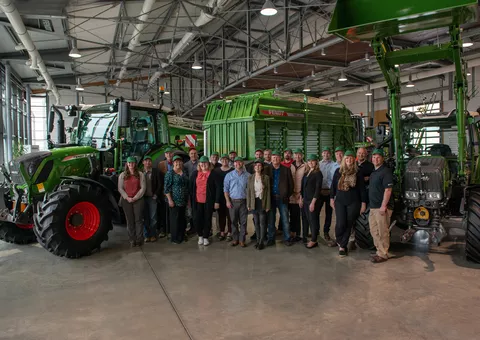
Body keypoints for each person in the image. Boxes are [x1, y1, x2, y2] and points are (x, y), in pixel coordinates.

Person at [330, 150, 367, 257]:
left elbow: (362, 189)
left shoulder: (358, 172)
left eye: (351, 158)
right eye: (347, 158)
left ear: (353, 159)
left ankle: (342, 246)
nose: (349, 160)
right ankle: (340, 239)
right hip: (340, 201)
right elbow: (333, 186)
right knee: (340, 223)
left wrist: (363, 203)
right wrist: (331, 198)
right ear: (344, 160)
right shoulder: (338, 171)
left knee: (349, 224)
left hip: (354, 201)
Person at [368, 149, 394, 263]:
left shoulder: (386, 172)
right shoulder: (374, 172)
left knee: (382, 231)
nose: (375, 159)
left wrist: (384, 206)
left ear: (382, 158)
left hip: (381, 207)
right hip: (373, 207)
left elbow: (388, 190)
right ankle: (380, 250)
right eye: (374, 157)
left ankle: (383, 254)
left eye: (378, 157)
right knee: (374, 230)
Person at [267, 150, 294, 246]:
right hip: (270, 199)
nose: (275, 159)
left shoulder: (286, 169)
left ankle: (287, 238)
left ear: (280, 158)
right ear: (271, 159)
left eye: (277, 157)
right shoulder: (266, 169)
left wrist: (286, 195)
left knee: (285, 219)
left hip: (282, 198)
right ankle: (271, 238)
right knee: (271, 220)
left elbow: (291, 185)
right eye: (273, 157)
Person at [118, 157, 146, 247]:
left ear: (135, 164)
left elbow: (143, 188)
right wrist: (127, 197)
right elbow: (120, 188)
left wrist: (136, 197)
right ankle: (132, 240)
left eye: (133, 163)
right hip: (126, 201)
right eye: (129, 163)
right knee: (130, 221)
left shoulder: (140, 174)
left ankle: (139, 239)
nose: (131, 165)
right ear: (127, 164)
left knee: (138, 220)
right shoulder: (122, 175)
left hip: (138, 200)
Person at [224, 156, 250, 247]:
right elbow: (226, 189)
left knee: (243, 222)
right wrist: (227, 201)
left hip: (243, 201)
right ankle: (235, 239)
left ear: (243, 163)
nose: (237, 164)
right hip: (232, 202)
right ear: (233, 163)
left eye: (240, 162)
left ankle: (242, 240)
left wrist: (249, 203)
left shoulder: (248, 176)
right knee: (233, 221)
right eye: (236, 162)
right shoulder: (229, 175)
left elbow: (250, 190)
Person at [190, 156, 216, 246]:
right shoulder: (194, 174)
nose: (203, 164)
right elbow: (190, 188)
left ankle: (205, 237)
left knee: (207, 219)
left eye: (205, 163)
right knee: (197, 219)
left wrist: (216, 201)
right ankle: (200, 236)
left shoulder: (213, 174)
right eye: (201, 163)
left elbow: (217, 189)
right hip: (197, 201)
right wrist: (190, 200)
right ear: (199, 164)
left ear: (208, 164)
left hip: (208, 201)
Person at [164, 155, 190, 244]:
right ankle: (175, 238)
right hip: (174, 201)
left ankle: (182, 236)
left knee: (182, 219)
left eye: (179, 161)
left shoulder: (184, 172)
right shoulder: (170, 173)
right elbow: (166, 189)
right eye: (176, 162)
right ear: (173, 163)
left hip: (183, 201)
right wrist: (170, 200)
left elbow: (187, 184)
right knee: (175, 220)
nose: (178, 163)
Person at [247, 159, 271, 250]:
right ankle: (257, 240)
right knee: (256, 222)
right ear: (254, 168)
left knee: (262, 223)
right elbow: (248, 192)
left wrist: (268, 205)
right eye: (256, 166)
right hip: (254, 202)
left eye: (259, 166)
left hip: (262, 202)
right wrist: (248, 204)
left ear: (262, 167)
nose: (257, 167)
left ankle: (261, 241)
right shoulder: (250, 177)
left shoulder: (266, 178)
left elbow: (268, 192)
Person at [300, 154, 323, 248]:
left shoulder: (318, 173)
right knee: (308, 219)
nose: (310, 162)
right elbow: (302, 187)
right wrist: (301, 198)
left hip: (313, 200)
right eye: (309, 161)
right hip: (305, 199)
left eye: (312, 161)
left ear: (316, 162)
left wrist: (313, 202)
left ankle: (314, 240)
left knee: (313, 220)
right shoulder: (307, 172)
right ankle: (313, 238)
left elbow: (318, 189)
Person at [289, 148, 309, 243]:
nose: (297, 156)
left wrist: (302, 195)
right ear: (293, 156)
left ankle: (302, 235)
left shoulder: (305, 166)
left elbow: (306, 182)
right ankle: (294, 234)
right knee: (293, 215)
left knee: (303, 216)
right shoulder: (290, 166)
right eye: (296, 154)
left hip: (301, 195)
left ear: (302, 156)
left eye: (299, 154)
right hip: (292, 195)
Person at [142, 155, 163, 243]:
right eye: (146, 161)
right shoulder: (140, 173)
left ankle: (153, 235)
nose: (148, 162)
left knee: (153, 217)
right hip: (143, 198)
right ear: (143, 162)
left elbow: (160, 184)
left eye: (149, 161)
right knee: (145, 217)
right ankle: (146, 235)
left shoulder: (156, 172)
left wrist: (156, 195)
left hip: (152, 198)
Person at [213, 154, 233, 241]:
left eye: (226, 159)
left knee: (230, 215)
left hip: (231, 196)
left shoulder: (232, 170)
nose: (224, 161)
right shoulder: (216, 171)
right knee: (221, 215)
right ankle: (221, 232)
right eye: (223, 159)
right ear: (220, 161)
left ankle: (229, 232)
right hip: (219, 196)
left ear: (229, 161)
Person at [158, 147, 175, 237]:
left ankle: (172, 231)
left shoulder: (177, 163)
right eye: (167, 153)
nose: (169, 155)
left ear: (173, 154)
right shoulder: (161, 165)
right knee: (164, 212)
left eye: (170, 153)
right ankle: (164, 230)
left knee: (172, 212)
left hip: (174, 191)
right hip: (164, 191)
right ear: (165, 155)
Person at [319, 147, 335, 241]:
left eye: (328, 153)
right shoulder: (319, 164)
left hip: (330, 191)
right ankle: (315, 231)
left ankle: (326, 232)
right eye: (324, 153)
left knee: (329, 214)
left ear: (330, 154)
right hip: (320, 191)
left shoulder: (334, 165)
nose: (326, 155)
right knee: (316, 212)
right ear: (322, 154)